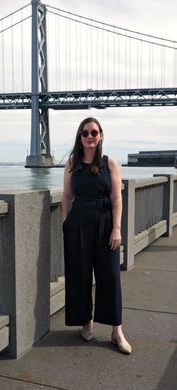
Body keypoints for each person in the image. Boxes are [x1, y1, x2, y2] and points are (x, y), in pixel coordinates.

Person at [61, 117, 132, 354]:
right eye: (85, 133)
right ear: (79, 137)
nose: (89, 137)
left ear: (101, 135)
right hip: (78, 224)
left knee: (110, 275)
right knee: (80, 275)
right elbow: (67, 196)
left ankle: (116, 331)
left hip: (105, 225)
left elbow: (116, 198)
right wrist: (66, 224)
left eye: (94, 132)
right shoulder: (72, 163)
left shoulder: (109, 163)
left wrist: (117, 228)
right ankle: (86, 323)